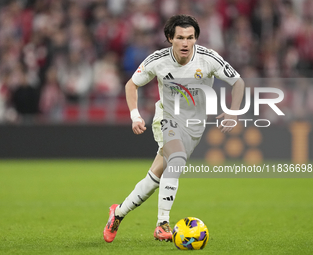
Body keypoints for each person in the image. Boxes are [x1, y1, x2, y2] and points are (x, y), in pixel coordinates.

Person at [103, 14, 245, 243]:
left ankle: (117, 213)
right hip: (167, 119)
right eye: (180, 37)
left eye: (190, 37)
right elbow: (131, 84)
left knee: (155, 176)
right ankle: (162, 224)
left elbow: (238, 82)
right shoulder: (158, 60)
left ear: (196, 38)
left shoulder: (208, 59)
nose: (186, 43)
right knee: (176, 159)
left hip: (194, 128)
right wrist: (135, 115)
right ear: (170, 38)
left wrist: (233, 111)